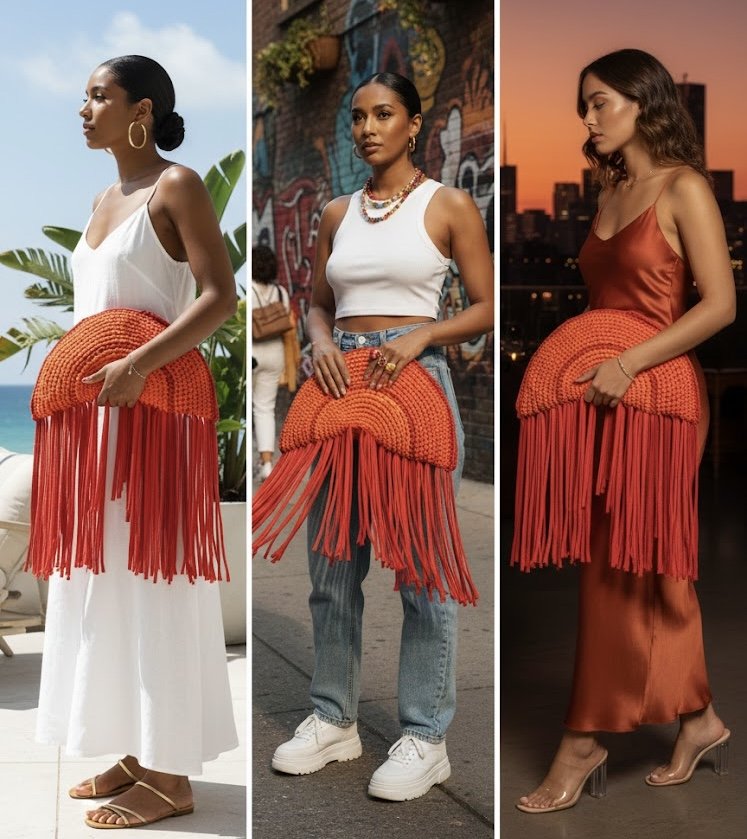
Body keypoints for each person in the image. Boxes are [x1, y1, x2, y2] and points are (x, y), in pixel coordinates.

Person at [517, 48, 735, 814]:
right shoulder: (609, 187)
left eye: (599, 102)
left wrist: (630, 360)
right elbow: (606, 301)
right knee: (648, 568)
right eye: (583, 105)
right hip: (603, 398)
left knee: (625, 561)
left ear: (644, 102)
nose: (587, 118)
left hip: (661, 395)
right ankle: (700, 719)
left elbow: (717, 306)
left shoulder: (683, 189)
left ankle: (584, 736)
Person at [269, 71, 493, 801]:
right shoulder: (334, 211)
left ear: (413, 123)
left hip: (414, 384)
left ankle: (425, 735)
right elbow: (316, 304)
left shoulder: (448, 203)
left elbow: (487, 305)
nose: (367, 127)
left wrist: (426, 329)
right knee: (333, 570)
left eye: (383, 114)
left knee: (424, 574)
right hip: (339, 388)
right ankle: (333, 718)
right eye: (358, 116)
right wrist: (319, 342)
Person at [35, 55, 239, 829]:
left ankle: (171, 772)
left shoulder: (176, 185)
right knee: (103, 582)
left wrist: (136, 362)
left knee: (155, 582)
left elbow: (219, 295)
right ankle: (133, 745)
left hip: (154, 412)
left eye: (98, 95)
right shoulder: (99, 197)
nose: (82, 107)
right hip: (98, 418)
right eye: (83, 94)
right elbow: (99, 306)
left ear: (140, 109)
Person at [251, 244, 290, 480]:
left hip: (254, 352)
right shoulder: (281, 293)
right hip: (276, 352)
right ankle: (267, 464)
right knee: (265, 408)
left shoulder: (252, 289)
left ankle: (258, 462)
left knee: (252, 407)